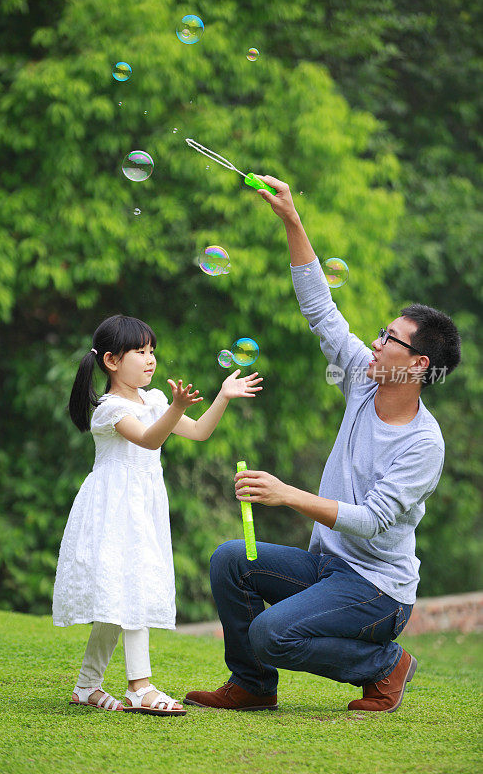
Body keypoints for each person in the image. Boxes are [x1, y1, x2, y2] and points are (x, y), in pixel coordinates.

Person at [185, 176, 461, 714]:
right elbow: (321, 309)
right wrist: (291, 217)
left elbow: (372, 521)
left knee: (270, 632)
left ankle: (386, 666)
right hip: (328, 567)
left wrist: (287, 494)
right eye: (380, 333)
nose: (375, 343)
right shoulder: (362, 376)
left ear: (419, 364)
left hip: (377, 589)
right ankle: (253, 686)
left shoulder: (425, 443)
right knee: (228, 561)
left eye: (390, 339)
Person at [52, 314, 262, 715]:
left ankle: (86, 686)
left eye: (152, 351)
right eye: (140, 352)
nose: (150, 360)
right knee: (130, 587)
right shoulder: (108, 409)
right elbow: (149, 440)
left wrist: (222, 396)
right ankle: (140, 687)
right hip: (114, 506)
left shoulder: (153, 400)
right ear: (112, 361)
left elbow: (199, 431)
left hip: (142, 505)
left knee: (120, 593)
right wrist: (177, 405)